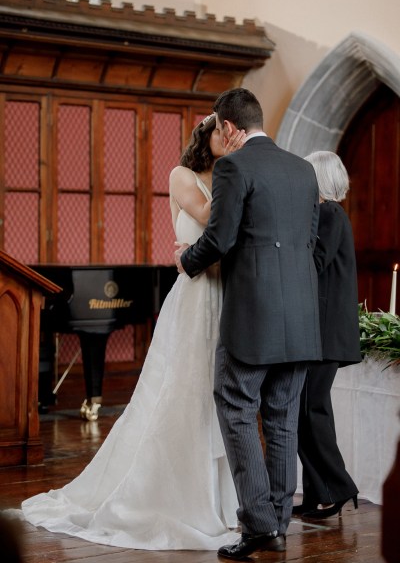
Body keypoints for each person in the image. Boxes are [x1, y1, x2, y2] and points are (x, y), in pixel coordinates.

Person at [15, 114, 245, 551]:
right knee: (184, 391)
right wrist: (237, 173)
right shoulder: (183, 176)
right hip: (196, 299)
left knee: (220, 394)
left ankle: (225, 498)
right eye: (222, 132)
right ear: (207, 135)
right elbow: (217, 220)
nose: (229, 139)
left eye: (233, 133)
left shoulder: (230, 176)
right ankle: (175, 495)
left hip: (226, 297)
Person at [175, 87, 322, 559]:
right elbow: (310, 243)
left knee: (236, 408)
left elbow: (219, 238)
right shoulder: (303, 169)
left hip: (252, 315)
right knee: (281, 420)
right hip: (301, 317)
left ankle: (259, 525)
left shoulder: (234, 167)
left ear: (230, 129)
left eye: (219, 128)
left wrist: (187, 262)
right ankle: (277, 519)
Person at [293, 151, 361, 519]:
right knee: (307, 413)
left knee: (311, 412)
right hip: (320, 332)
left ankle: (340, 488)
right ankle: (315, 493)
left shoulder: (331, 213)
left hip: (325, 333)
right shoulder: (326, 216)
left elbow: (315, 264)